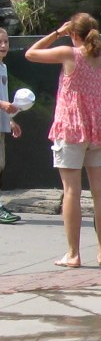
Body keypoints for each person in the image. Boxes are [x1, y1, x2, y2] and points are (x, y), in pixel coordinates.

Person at [25, 13, 101, 268]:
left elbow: (30, 53)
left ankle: (74, 254)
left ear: (73, 34)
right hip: (99, 128)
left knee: (71, 192)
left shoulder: (69, 53)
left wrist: (58, 32)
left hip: (71, 128)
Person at [0, 28, 25, 224]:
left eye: (6, 42)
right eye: (0, 42)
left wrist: (10, 120)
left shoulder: (3, 67)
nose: (3, 46)